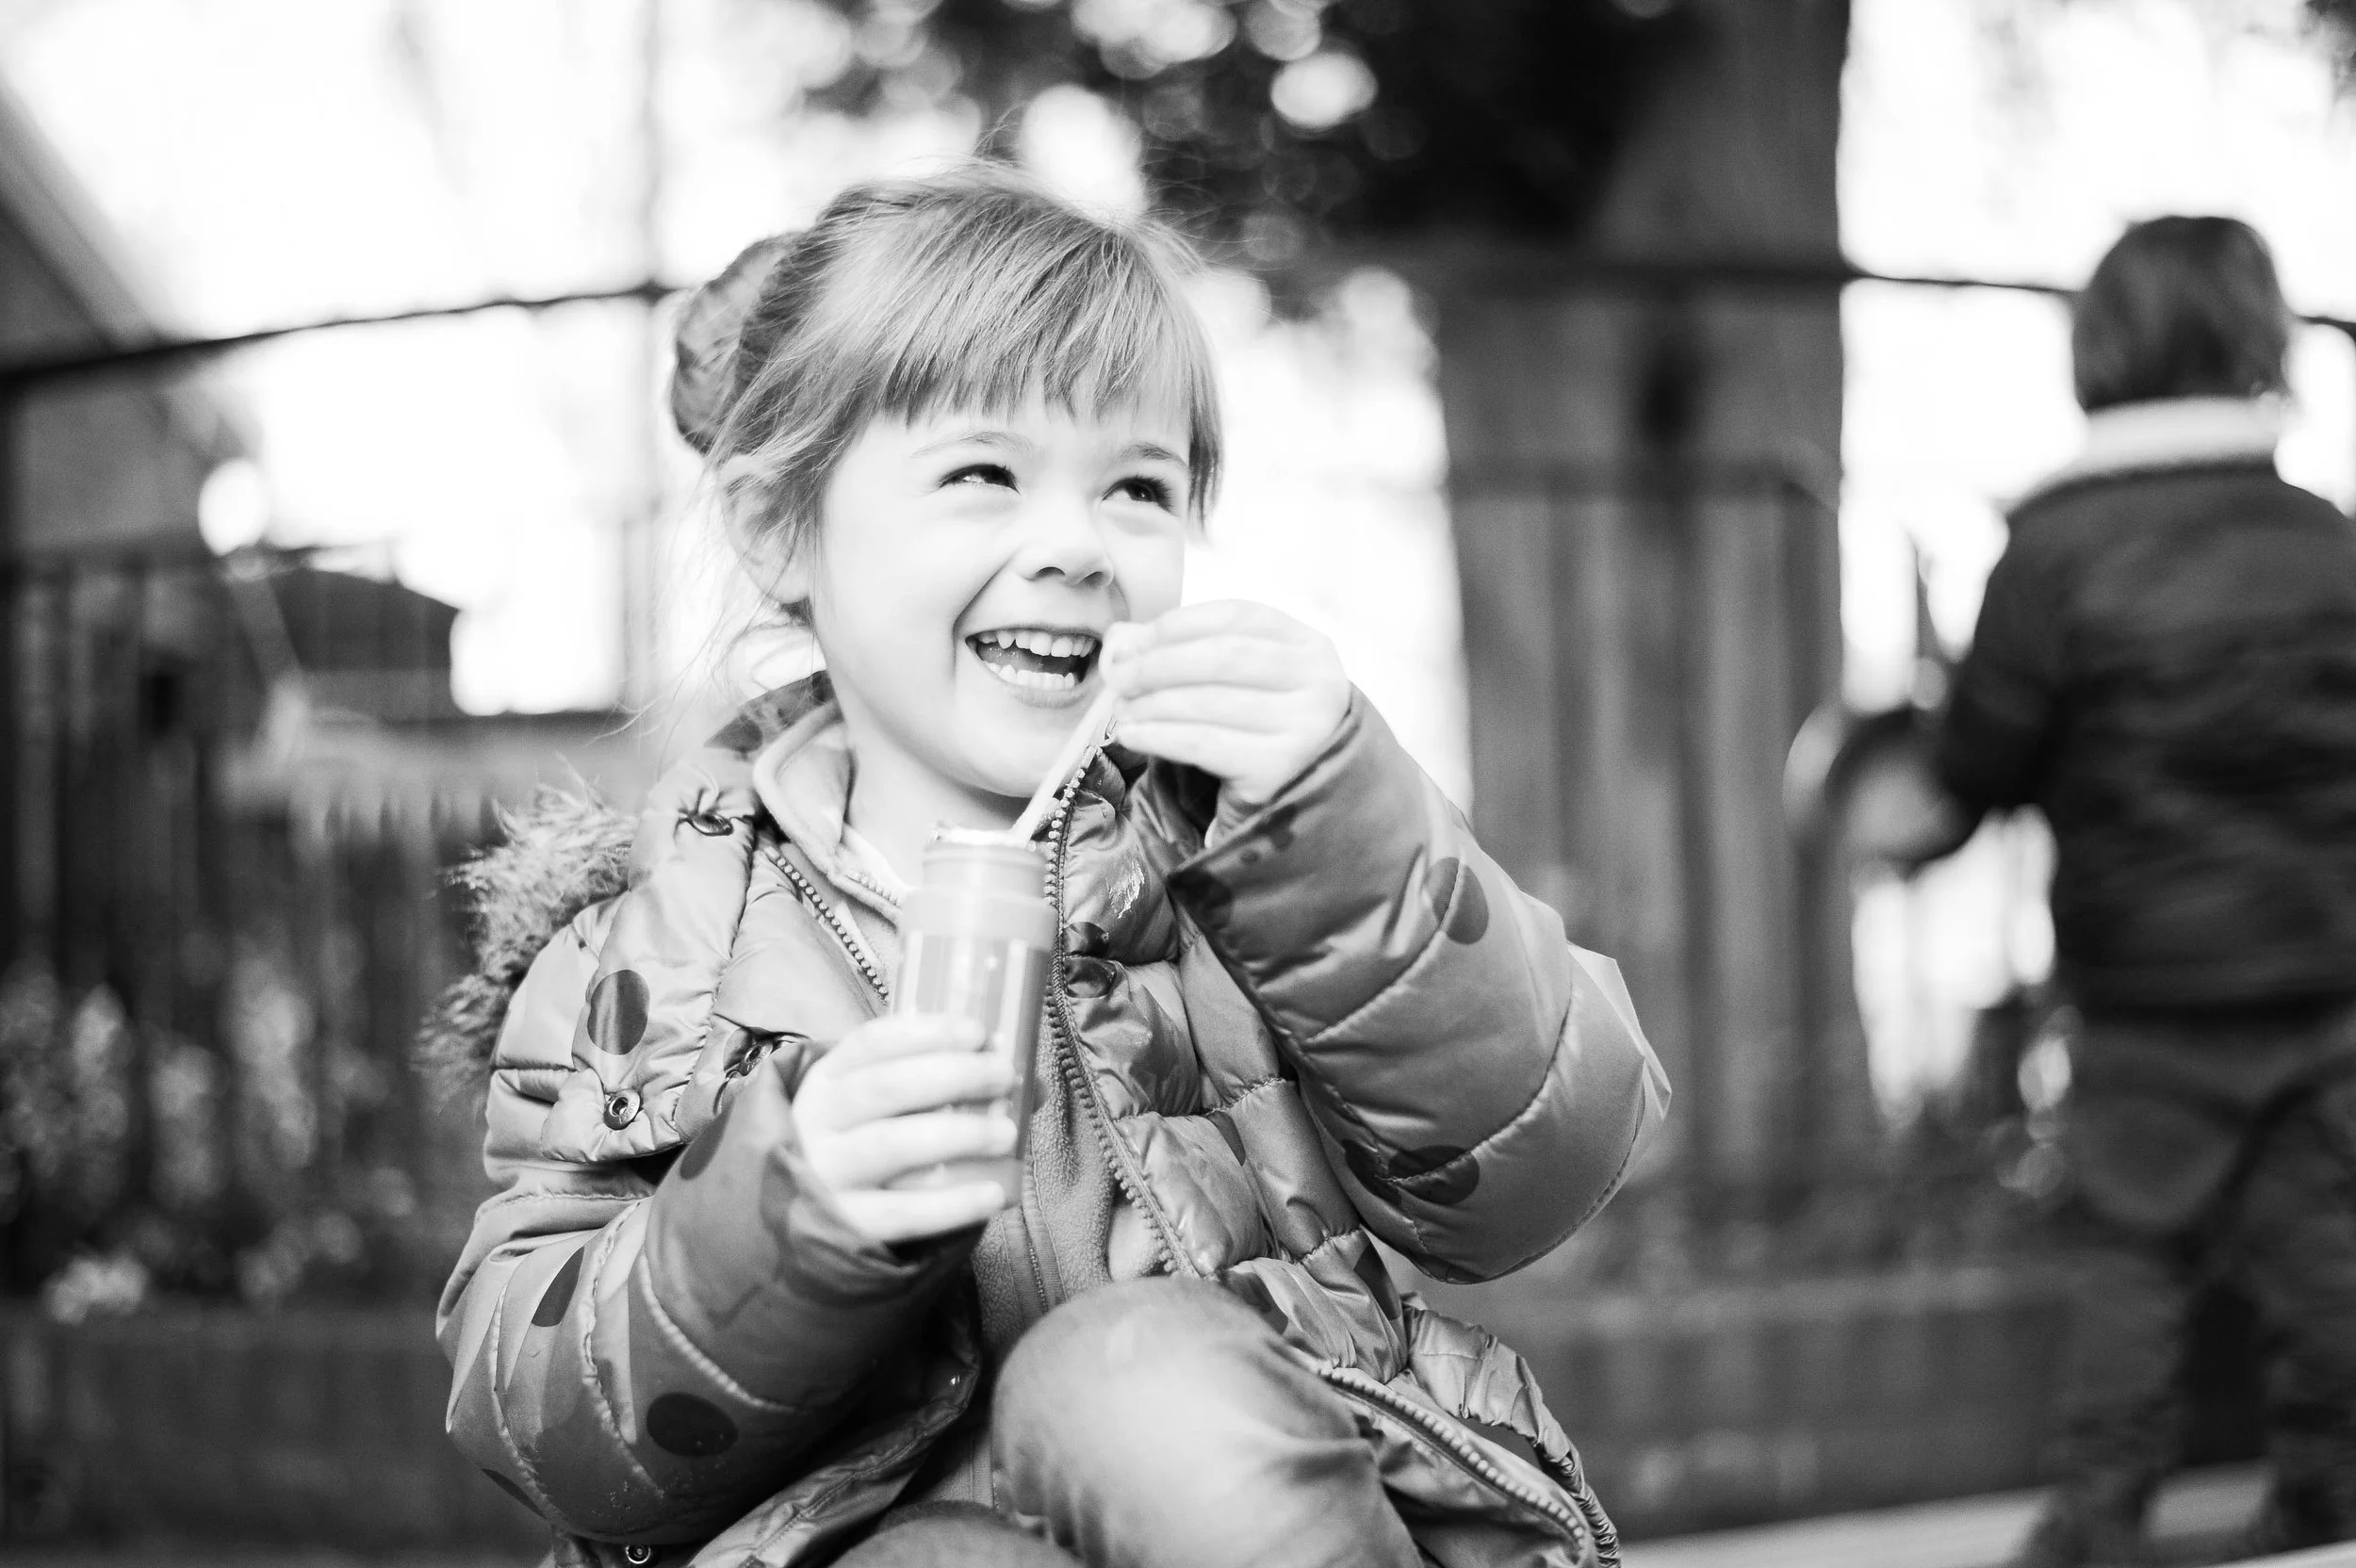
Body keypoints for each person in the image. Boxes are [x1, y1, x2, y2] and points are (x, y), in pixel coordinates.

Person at [421, 165, 1668, 1568]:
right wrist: (783, 1220)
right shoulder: (646, 961)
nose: (1076, 545)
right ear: (782, 533)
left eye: (1137, 487)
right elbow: (538, 1419)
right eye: (983, 474)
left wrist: (1348, 833)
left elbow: (1540, 1171)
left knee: (1135, 1387)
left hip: (1226, 1502)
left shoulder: (1251, 847)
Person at [1929, 216, 2356, 1565]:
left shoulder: (2052, 553)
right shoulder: (2328, 542)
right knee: (2330, 1248)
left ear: (2098, 354)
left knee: (2134, 1256)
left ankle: (2099, 1526)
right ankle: (2333, 1503)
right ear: (2257, 346)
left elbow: (1977, 763)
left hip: (2147, 989)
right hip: (2329, 969)